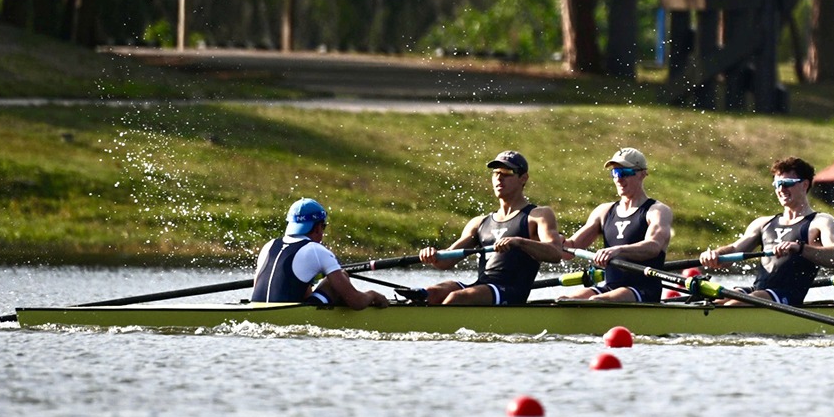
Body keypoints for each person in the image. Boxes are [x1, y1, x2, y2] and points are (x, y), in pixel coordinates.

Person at [417, 150, 562, 305]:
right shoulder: (479, 223)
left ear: (523, 178)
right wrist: (432, 255)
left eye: (507, 172)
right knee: (430, 293)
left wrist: (519, 242)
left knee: (457, 298)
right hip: (481, 288)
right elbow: (445, 262)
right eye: (495, 173)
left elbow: (555, 254)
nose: (499, 178)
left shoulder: (538, 215)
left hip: (510, 292)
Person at [698, 157, 834, 307]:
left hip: (787, 297)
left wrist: (800, 248)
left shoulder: (821, 222)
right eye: (777, 184)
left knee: (732, 306)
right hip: (759, 292)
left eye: (787, 184)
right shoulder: (763, 223)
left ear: (805, 184)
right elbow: (734, 251)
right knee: (716, 301)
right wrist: (715, 255)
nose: (781, 189)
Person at [556, 147, 673, 304]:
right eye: (615, 173)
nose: (619, 179)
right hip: (610, 288)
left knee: (597, 300)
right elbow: (570, 250)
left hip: (643, 290)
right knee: (564, 299)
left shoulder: (657, 211)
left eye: (625, 173)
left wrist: (618, 250)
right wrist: (556, 242)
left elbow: (653, 247)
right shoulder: (604, 211)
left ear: (642, 174)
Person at [251, 198, 389, 308]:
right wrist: (373, 295)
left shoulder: (269, 246)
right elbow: (356, 302)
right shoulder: (316, 250)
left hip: (256, 310)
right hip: (287, 316)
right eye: (323, 227)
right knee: (339, 277)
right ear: (317, 227)